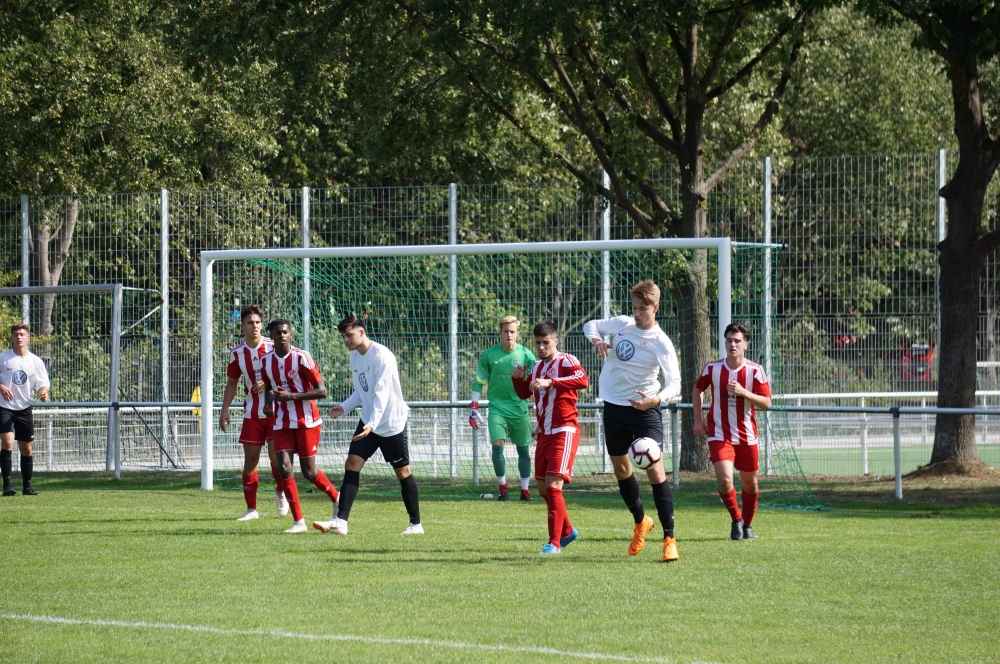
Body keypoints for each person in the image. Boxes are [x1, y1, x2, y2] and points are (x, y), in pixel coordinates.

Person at [583, 280, 681, 562]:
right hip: (613, 406)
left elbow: (675, 383)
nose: (637, 314)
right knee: (622, 470)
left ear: (655, 308)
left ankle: (669, 539)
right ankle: (641, 522)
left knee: (655, 470)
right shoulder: (622, 324)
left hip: (644, 410)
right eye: (635, 308)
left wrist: (656, 400)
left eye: (643, 309)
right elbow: (591, 325)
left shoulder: (661, 342)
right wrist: (598, 340)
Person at [315, 315, 423, 536]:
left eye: (349, 335)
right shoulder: (355, 358)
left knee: (403, 472)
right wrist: (343, 407)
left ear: (361, 332)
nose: (346, 340)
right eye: (343, 336)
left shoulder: (382, 356)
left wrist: (373, 423)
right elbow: (362, 391)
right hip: (369, 422)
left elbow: (381, 394)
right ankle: (341, 522)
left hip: (390, 423)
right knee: (352, 464)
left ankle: (416, 525)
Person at [511, 321, 588, 555]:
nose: (542, 347)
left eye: (546, 343)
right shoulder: (535, 367)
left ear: (556, 340)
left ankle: (554, 543)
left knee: (554, 486)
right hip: (543, 433)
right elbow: (525, 393)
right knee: (544, 489)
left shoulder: (566, 360)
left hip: (564, 430)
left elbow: (583, 380)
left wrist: (552, 381)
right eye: (538, 343)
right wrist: (517, 379)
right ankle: (568, 530)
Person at [692, 322, 772, 541]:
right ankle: (736, 520)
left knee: (750, 483)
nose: (732, 345)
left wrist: (744, 392)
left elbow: (766, 403)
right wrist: (698, 420)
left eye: (737, 341)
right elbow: (698, 389)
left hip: (747, 435)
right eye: (729, 340)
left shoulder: (755, 371)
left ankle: (748, 525)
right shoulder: (712, 368)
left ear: (746, 345)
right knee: (725, 479)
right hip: (719, 433)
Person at [260, 320, 340, 533]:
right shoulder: (266, 361)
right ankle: (299, 522)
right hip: (281, 422)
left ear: (291, 334)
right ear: (271, 337)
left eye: (285, 332)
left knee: (309, 472)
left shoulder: (302, 357)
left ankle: (337, 498)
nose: (282, 335)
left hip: (307, 421)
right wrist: (268, 403)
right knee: (284, 466)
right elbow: (268, 387)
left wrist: (292, 396)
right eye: (277, 333)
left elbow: (321, 391)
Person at [219, 305, 289, 521]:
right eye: (250, 322)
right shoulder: (237, 354)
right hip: (252, 413)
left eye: (258, 322)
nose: (255, 326)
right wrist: (224, 411)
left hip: (276, 412)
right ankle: (251, 509)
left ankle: (281, 492)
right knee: (250, 461)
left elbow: (286, 371)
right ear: (243, 326)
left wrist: (268, 381)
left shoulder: (273, 346)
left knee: (277, 460)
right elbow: (232, 383)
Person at [469, 316, 537, 501]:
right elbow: (478, 382)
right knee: (497, 445)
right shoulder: (489, 355)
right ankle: (503, 487)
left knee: (523, 450)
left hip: (519, 408)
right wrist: (473, 406)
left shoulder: (526, 355)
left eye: (512, 331)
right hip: (497, 408)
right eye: (505, 331)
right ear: (500, 332)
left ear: (518, 334)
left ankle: (524, 490)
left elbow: (535, 383)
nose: (509, 334)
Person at [0, 325, 50, 497]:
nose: (19, 337)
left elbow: (42, 382)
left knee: (26, 449)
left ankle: (27, 487)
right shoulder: (3, 358)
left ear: (28, 338)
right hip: (5, 407)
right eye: (15, 335)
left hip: (25, 408)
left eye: (22, 334)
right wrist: (1, 387)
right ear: (11, 339)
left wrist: (43, 391)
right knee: (7, 443)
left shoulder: (35, 361)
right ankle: (7, 486)